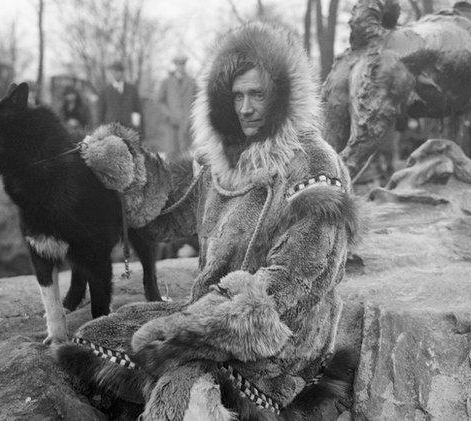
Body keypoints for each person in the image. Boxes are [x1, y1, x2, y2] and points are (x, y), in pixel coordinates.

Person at [60, 22, 359, 417]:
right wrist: (124, 173)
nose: (246, 108)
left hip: (280, 342)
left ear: (283, 96)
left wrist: (192, 333)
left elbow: (297, 282)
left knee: (178, 384)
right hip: (206, 316)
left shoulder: (314, 163)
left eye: (257, 95)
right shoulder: (219, 162)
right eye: (237, 95)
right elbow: (161, 216)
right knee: (93, 338)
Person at [158, 54, 197, 154]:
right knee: (171, 152)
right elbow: (160, 101)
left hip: (186, 124)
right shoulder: (166, 82)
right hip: (171, 124)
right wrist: (169, 114)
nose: (181, 66)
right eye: (178, 64)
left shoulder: (192, 82)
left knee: (186, 152)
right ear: (175, 65)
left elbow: (196, 102)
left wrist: (190, 118)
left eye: (183, 64)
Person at [97, 61, 143, 133]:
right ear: (111, 73)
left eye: (119, 71)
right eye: (114, 71)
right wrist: (99, 132)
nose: (117, 74)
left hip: (128, 129)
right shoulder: (105, 91)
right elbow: (100, 114)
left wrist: (138, 130)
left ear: (123, 73)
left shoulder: (132, 90)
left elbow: (137, 111)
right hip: (110, 130)